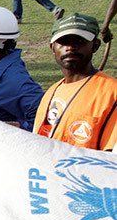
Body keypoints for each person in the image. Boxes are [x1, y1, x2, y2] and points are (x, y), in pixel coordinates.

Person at [35, 13, 117, 150]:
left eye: (79, 41)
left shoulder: (112, 93)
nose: (70, 48)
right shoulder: (51, 93)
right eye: (63, 42)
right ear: (52, 48)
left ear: (95, 46)